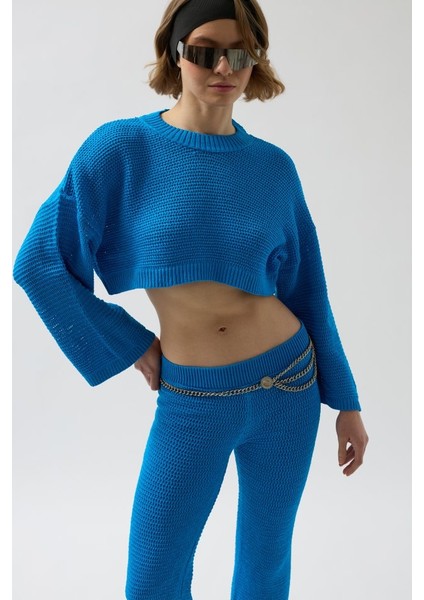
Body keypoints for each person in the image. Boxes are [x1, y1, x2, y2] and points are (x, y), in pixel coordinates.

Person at [13, 0, 369, 598]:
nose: (224, 67)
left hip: (290, 384)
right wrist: (129, 344)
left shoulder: (273, 168)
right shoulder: (120, 150)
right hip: (194, 396)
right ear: (175, 54)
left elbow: (309, 289)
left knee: (266, 561)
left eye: (241, 54)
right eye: (205, 51)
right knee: (155, 573)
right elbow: (39, 264)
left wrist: (347, 401)